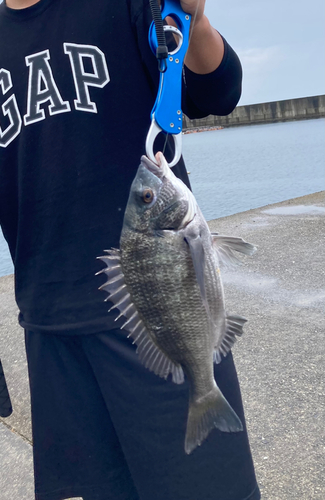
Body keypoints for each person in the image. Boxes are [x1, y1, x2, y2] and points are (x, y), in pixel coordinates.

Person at [0, 0, 260, 499]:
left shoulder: (122, 4)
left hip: (160, 320)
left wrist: (198, 23)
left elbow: (218, 90)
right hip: (51, 332)